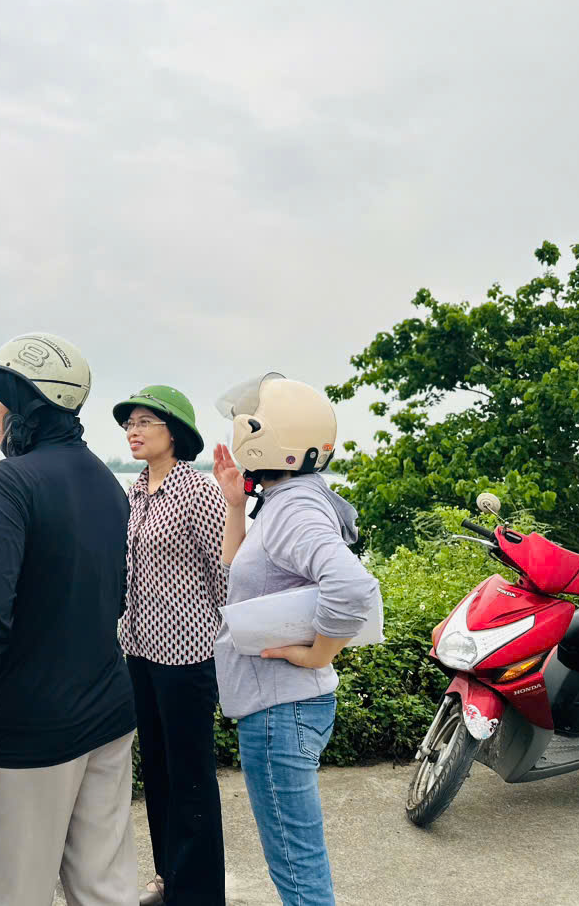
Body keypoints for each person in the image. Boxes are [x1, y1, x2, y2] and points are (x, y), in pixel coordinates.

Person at [0, 333, 137, 906]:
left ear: (28, 402)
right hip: (108, 711)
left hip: (29, 727)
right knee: (105, 890)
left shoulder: (10, 481)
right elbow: (115, 598)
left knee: (14, 893)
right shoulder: (108, 483)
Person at [211, 374, 381, 906]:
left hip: (279, 713)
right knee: (296, 860)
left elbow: (352, 586)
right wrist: (235, 505)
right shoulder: (289, 499)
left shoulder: (292, 509)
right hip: (284, 708)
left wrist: (319, 652)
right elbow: (240, 575)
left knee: (296, 868)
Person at [114, 385, 227, 906]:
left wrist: (229, 639)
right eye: (129, 424)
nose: (133, 431)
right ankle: (170, 878)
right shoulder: (134, 490)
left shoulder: (198, 490)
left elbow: (224, 571)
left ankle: (199, 895)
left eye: (144, 422)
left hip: (187, 655)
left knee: (191, 778)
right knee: (157, 770)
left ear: (174, 432)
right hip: (139, 650)